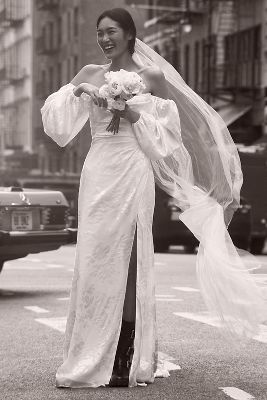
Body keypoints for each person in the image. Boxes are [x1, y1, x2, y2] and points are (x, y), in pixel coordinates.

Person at [41, 7, 265, 389]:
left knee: (129, 260)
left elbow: (169, 138)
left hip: (133, 171)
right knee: (95, 261)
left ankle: (123, 357)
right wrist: (77, 91)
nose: (104, 39)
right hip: (98, 171)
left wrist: (130, 114)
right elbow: (56, 122)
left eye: (111, 31)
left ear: (130, 35)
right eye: (100, 33)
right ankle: (88, 350)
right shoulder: (91, 74)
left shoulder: (153, 78)